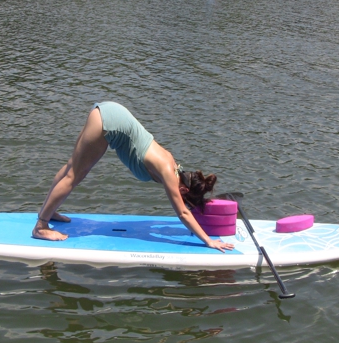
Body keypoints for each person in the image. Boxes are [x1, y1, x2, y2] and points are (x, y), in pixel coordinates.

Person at [32, 101, 234, 253]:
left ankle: (50, 211)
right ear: (184, 190)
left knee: (71, 166)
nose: (182, 201)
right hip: (108, 123)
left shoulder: (173, 164)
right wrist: (209, 241)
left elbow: (178, 216)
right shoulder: (169, 173)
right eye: (185, 199)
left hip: (106, 111)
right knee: (75, 174)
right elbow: (182, 213)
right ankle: (41, 226)